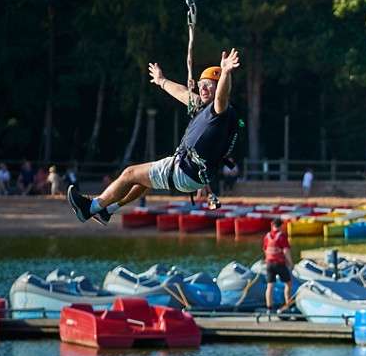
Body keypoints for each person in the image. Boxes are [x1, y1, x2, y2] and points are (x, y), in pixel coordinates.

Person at [66, 49, 242, 225]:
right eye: (201, 83)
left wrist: (225, 72)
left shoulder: (219, 111)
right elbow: (182, 93)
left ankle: (90, 208)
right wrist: (161, 81)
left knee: (129, 174)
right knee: (143, 180)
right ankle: (108, 211)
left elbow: (221, 96)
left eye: (209, 84)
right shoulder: (206, 109)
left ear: (218, 87)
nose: (202, 87)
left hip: (185, 170)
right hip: (191, 174)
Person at [262, 218, 293, 314]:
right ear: (281, 226)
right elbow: (286, 251)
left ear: (272, 225)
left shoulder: (267, 236)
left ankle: (269, 308)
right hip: (279, 263)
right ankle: (288, 304)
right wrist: (291, 263)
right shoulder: (281, 236)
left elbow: (265, 249)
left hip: (269, 264)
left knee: (270, 286)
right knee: (288, 283)